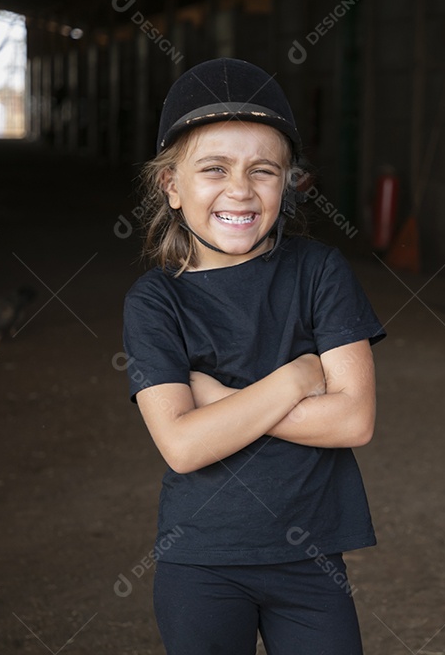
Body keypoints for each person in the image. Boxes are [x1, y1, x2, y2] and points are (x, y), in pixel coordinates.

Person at [122, 58, 385, 654]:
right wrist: (296, 377)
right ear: (171, 185)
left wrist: (215, 399)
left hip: (311, 559)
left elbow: (353, 420)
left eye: (262, 171)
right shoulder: (155, 302)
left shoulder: (319, 272)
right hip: (201, 561)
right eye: (214, 169)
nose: (239, 190)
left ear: (288, 183)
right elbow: (184, 446)